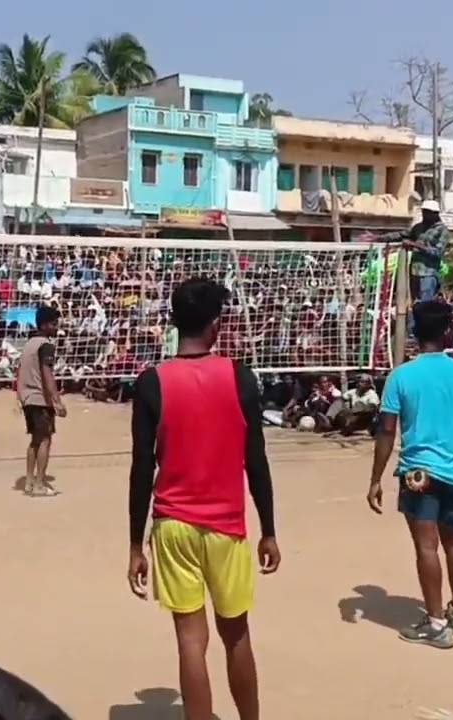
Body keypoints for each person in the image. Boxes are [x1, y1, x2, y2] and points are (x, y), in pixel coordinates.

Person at [127, 277, 279, 720]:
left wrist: (136, 544)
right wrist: (269, 531)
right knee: (236, 635)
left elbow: (141, 470)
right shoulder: (240, 377)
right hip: (226, 526)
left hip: (172, 525)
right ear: (216, 325)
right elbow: (257, 461)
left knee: (190, 642)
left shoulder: (152, 381)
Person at [367, 300, 453, 650]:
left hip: (418, 471)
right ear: (448, 331)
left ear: (415, 333)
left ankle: (436, 623)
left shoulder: (402, 376)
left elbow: (387, 431)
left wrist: (376, 478)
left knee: (426, 547)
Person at [16, 305, 65, 497]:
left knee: (35, 441)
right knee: (45, 440)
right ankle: (39, 483)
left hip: (27, 397)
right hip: (39, 398)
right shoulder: (46, 345)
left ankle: (29, 481)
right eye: (54, 323)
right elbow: (47, 374)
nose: (56, 327)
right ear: (44, 325)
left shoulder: (29, 344)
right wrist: (57, 400)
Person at [378, 200, 449, 303]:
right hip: (414, 272)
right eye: (423, 212)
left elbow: (437, 252)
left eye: (427, 212)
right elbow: (402, 235)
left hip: (428, 274)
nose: (424, 215)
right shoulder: (418, 227)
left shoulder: (442, 231)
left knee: (425, 306)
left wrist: (415, 245)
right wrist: (379, 238)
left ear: (435, 214)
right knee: (413, 304)